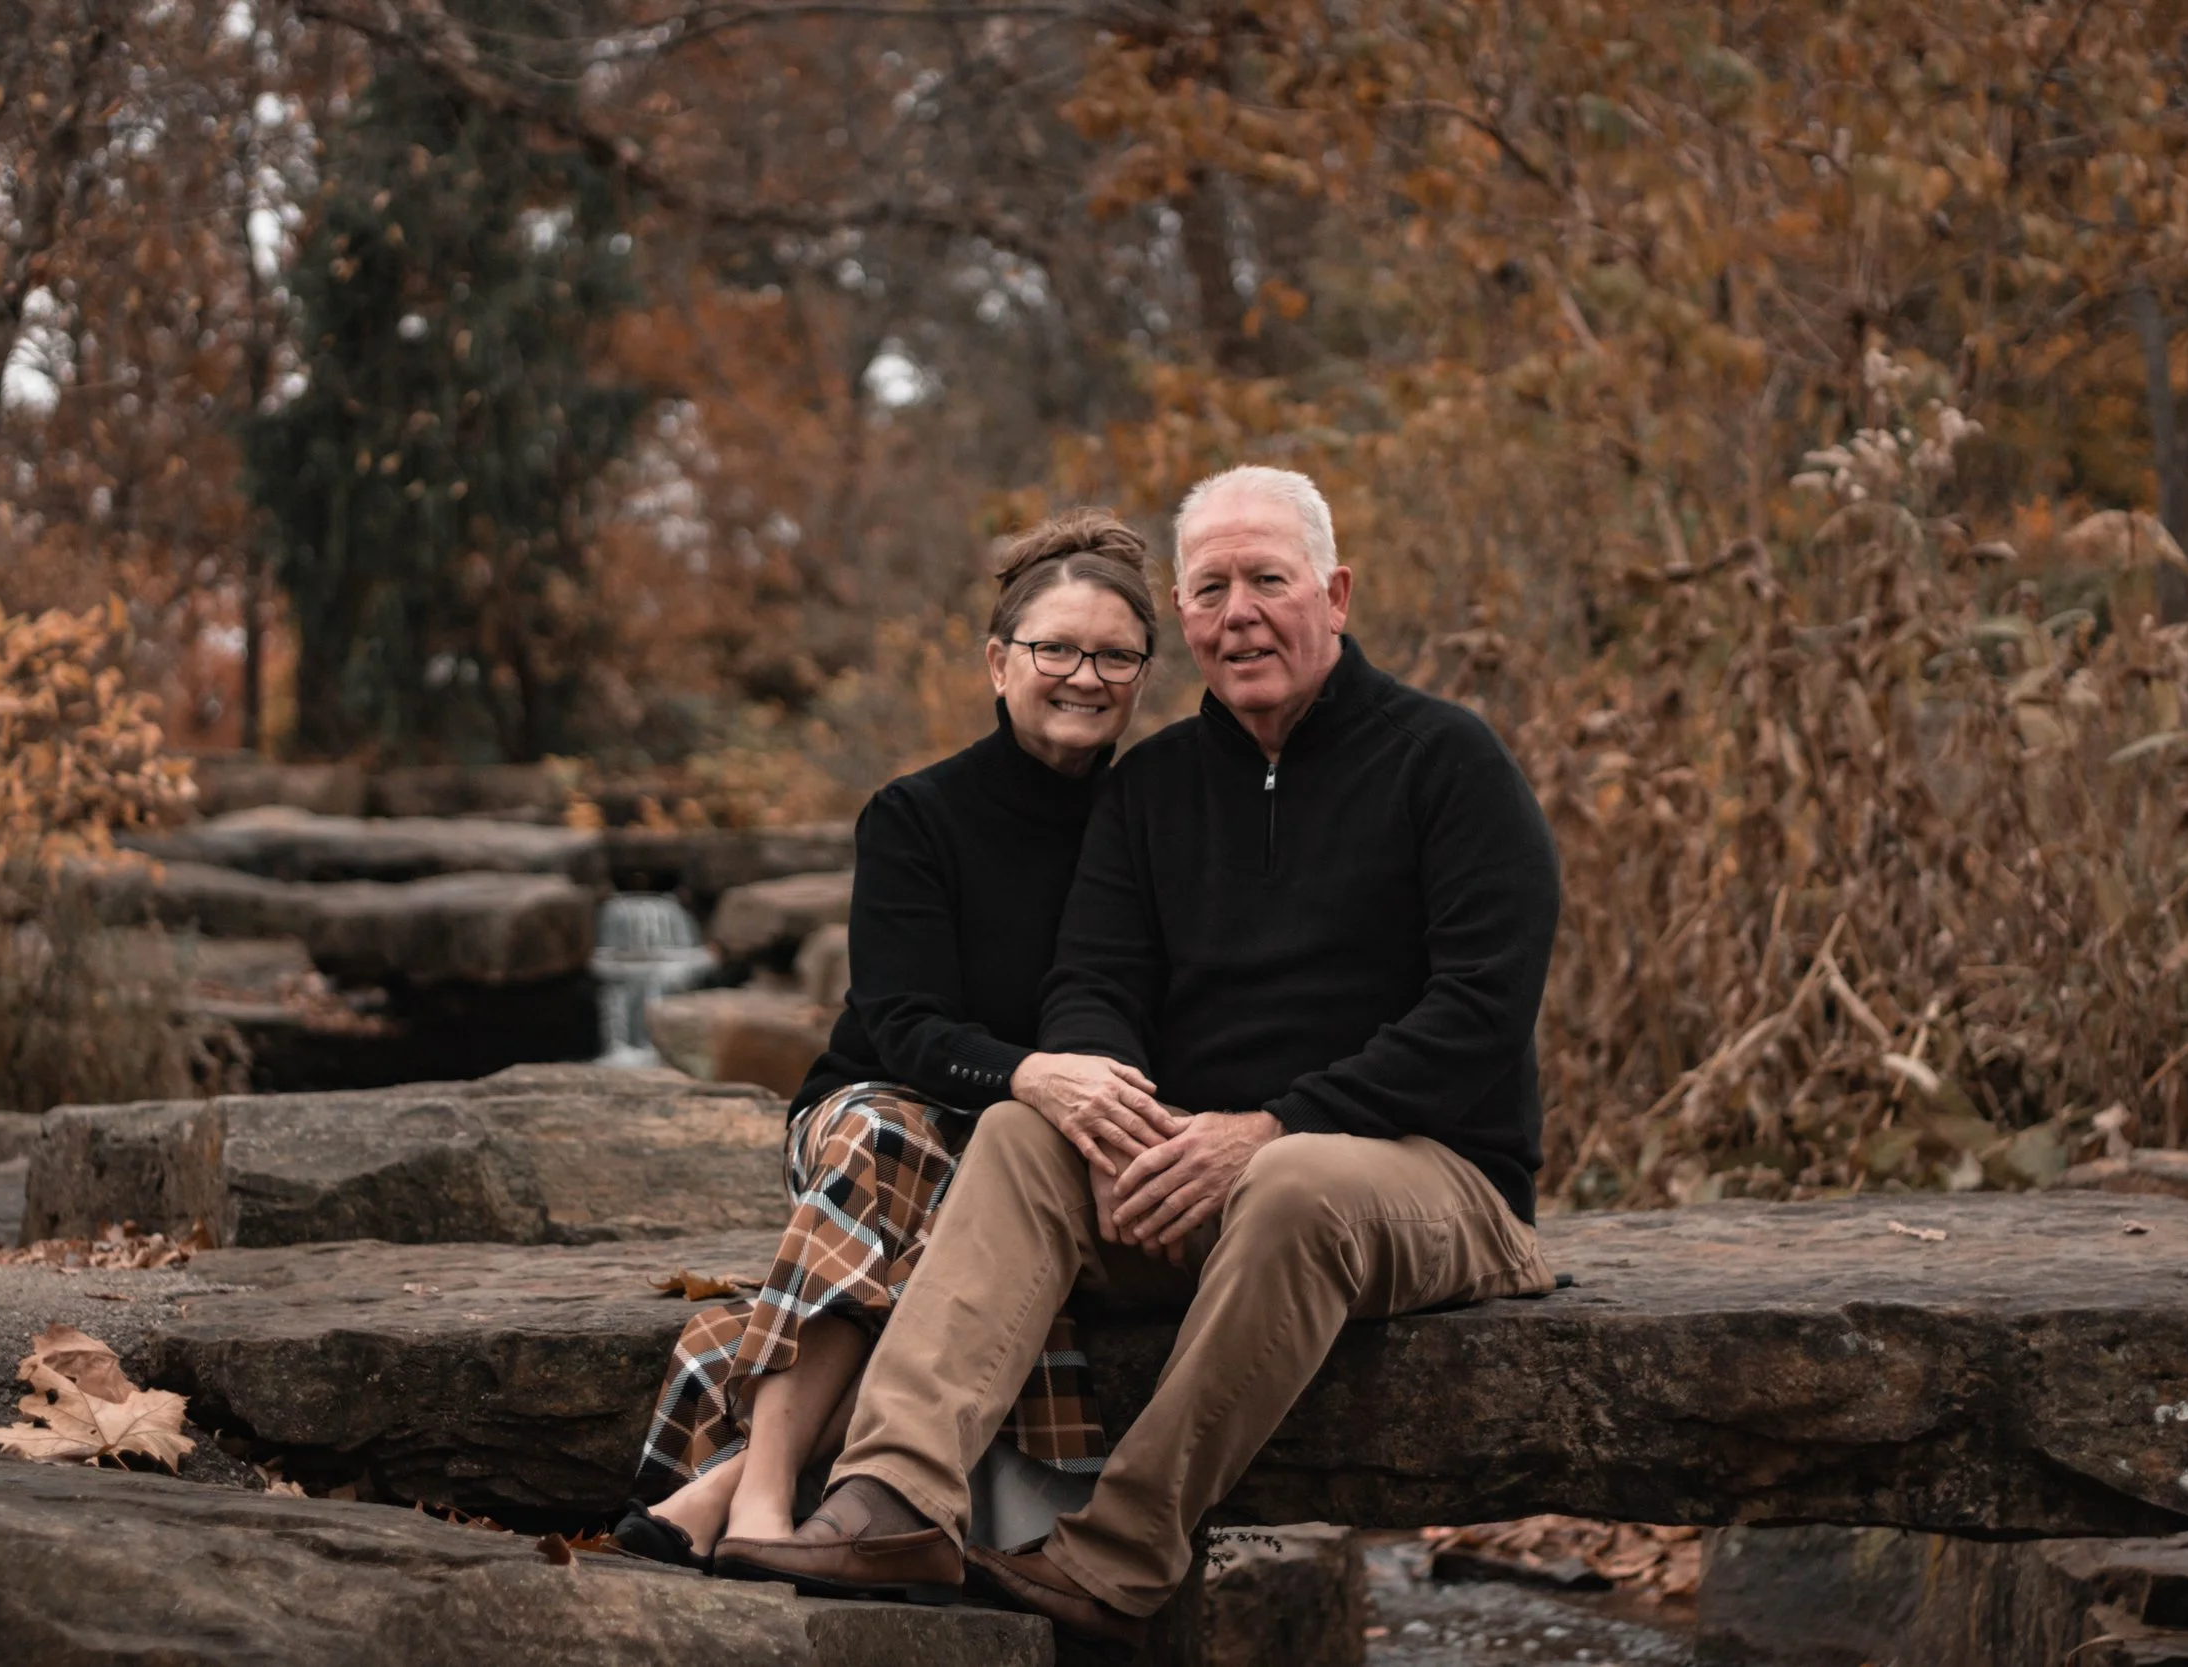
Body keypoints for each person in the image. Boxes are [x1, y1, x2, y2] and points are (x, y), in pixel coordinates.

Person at [716, 465, 1563, 1643]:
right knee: (1025, 1127)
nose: (1239, 612)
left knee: (1293, 1178)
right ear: (1185, 612)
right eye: (1210, 588)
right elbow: (1092, 983)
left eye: (1267, 579)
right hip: (1189, 1175)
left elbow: (1479, 1008)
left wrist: (1269, 1125)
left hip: (1426, 1176)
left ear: (1335, 592)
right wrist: (1117, 1117)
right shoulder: (1153, 787)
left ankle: (1116, 1552)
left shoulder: (1446, 763)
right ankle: (891, 1493)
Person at [617, 508, 1184, 1582]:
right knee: (887, 1132)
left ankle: (722, 1490)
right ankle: (775, 1488)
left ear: (1145, 672)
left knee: (984, 1191)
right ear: (995, 660)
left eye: (1115, 655)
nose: (1085, 675)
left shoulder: (1153, 818)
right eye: (1054, 648)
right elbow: (898, 1023)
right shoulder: (918, 815)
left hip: (1032, 1155)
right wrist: (1025, 1070)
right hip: (883, 1109)